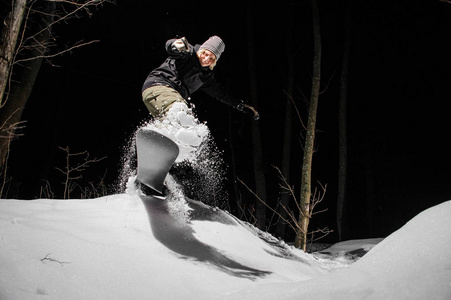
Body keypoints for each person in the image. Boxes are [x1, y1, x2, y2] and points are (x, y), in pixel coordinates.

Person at [141, 35, 259, 120]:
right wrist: (175, 45)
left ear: (214, 62)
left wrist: (240, 106)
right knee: (181, 113)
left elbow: (220, 94)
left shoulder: (205, 77)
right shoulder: (188, 54)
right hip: (159, 86)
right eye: (205, 54)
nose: (206, 59)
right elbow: (171, 47)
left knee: (177, 127)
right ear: (201, 50)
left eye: (212, 58)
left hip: (159, 100)